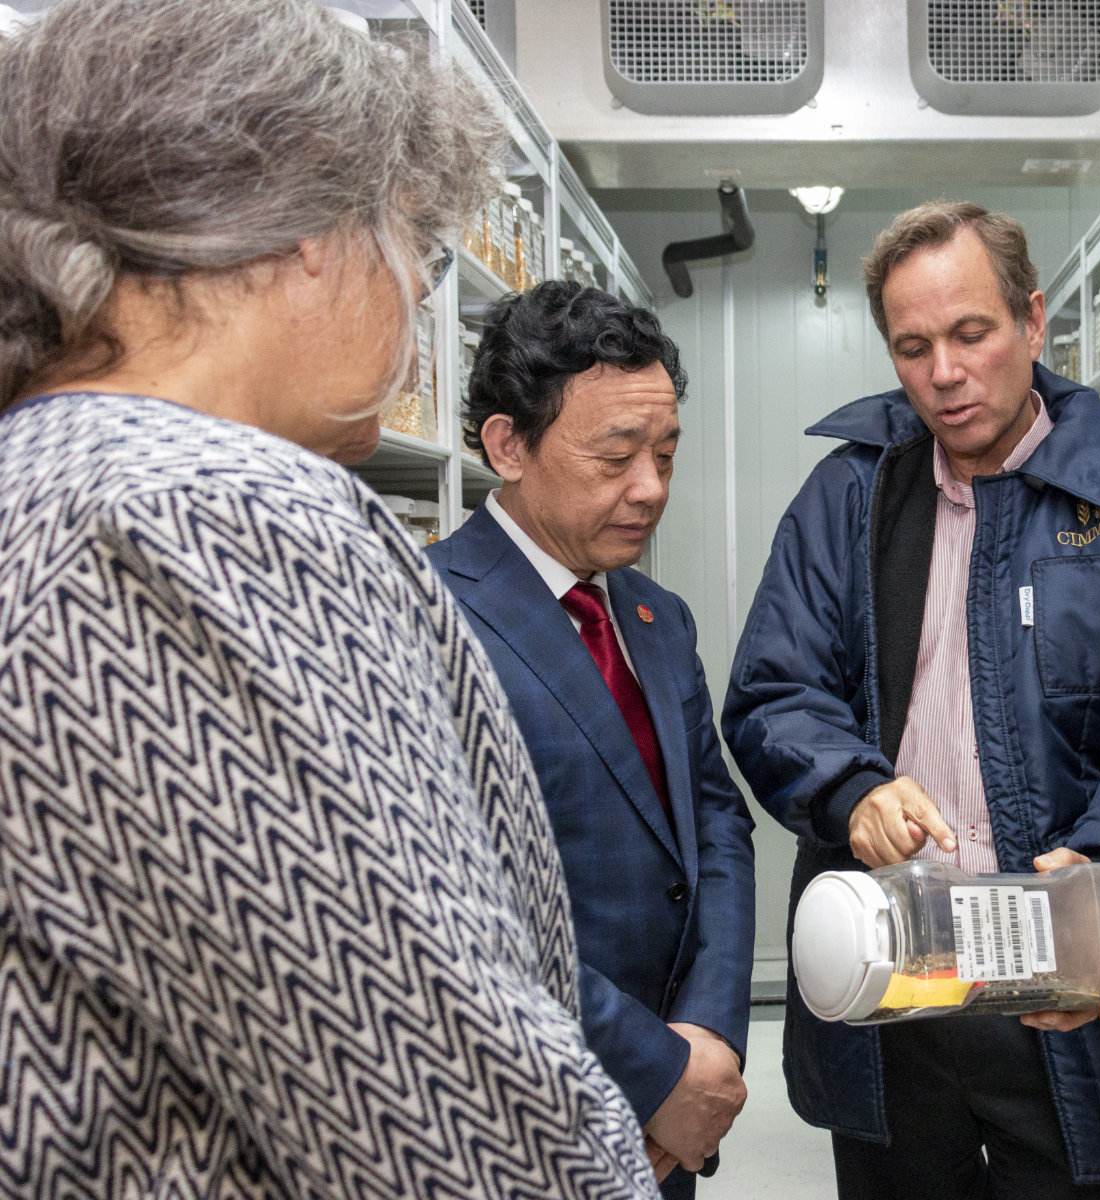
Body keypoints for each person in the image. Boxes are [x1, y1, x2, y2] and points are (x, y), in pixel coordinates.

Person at [0, 2, 657, 1197]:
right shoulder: (208, 516)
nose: (414, 297)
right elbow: (462, 1123)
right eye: (415, 244)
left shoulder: (53, 473)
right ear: (309, 231)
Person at [723, 201, 1100, 1199]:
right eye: (912, 347)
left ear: (1033, 321)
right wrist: (850, 787)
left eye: (971, 334)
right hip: (895, 981)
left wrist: (1098, 871)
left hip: (1065, 989)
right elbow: (772, 687)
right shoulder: (850, 498)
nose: (945, 373)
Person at [427, 282, 755, 1198]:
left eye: (665, 452)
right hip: (516, 1110)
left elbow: (717, 826)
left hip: (678, 1108)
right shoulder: (425, 615)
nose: (649, 488)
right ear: (508, 446)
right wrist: (653, 1069)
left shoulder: (654, 614)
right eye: (615, 456)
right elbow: (452, 908)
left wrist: (711, 1040)